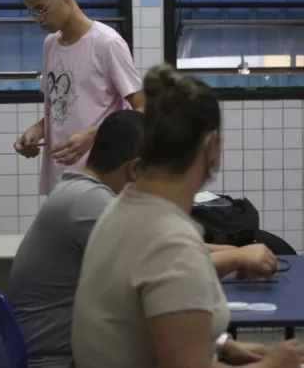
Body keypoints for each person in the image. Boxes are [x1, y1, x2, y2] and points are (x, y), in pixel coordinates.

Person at [8, 109, 281, 368]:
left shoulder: (80, 192)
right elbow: (169, 269)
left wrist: (221, 342)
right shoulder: (88, 203)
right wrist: (237, 257)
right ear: (134, 170)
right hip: (57, 359)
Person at [72, 64, 303, 368]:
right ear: (211, 145)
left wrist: (220, 346)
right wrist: (273, 365)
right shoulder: (171, 242)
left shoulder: (121, 209)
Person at [13, 0, 144, 195]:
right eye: (33, 12)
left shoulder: (107, 43)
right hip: (59, 180)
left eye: (42, 9)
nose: (38, 19)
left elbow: (143, 110)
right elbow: (60, 109)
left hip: (101, 181)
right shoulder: (50, 45)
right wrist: (37, 130)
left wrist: (94, 135)